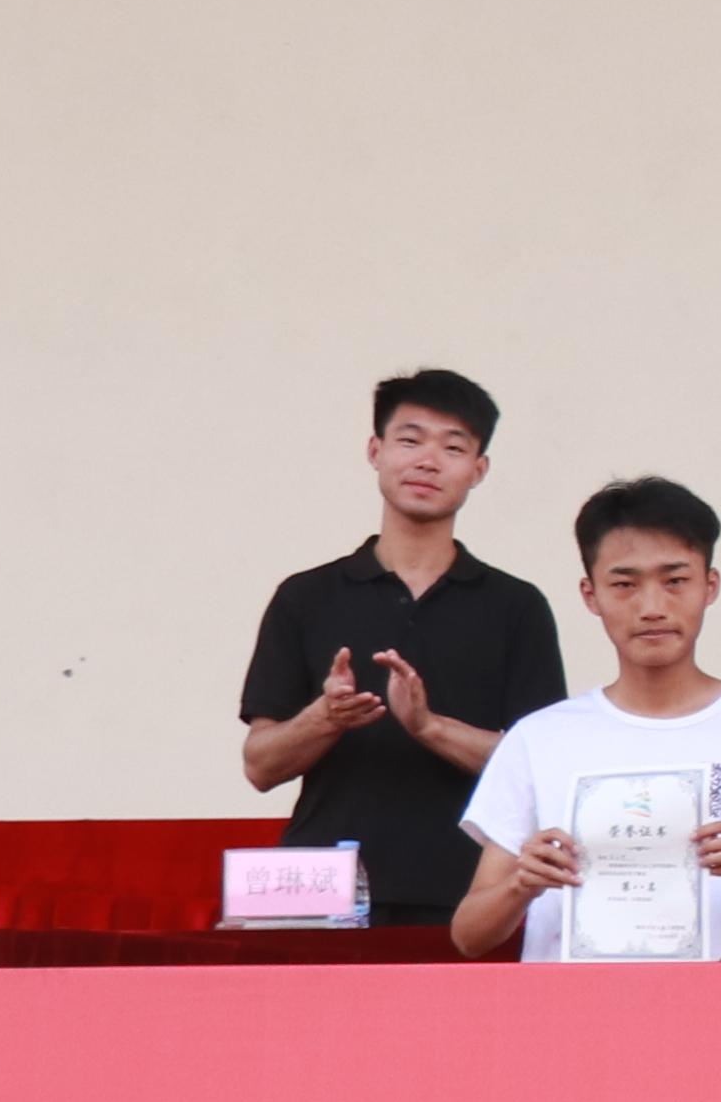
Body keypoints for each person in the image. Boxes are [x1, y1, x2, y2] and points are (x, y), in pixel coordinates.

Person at [450, 479, 721, 960]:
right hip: (570, 1007)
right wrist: (521, 884)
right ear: (590, 594)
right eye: (624, 584)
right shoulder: (538, 739)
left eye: (675, 581)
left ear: (710, 586)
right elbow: (468, 935)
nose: (651, 608)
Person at [236, 368, 568, 928]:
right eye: (410, 440)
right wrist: (325, 717)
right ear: (376, 451)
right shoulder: (306, 597)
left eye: (453, 447)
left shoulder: (516, 606)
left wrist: (428, 727)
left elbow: (542, 770)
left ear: (479, 469)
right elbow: (259, 767)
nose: (428, 461)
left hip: (468, 896)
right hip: (321, 891)